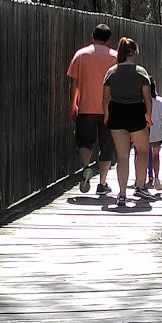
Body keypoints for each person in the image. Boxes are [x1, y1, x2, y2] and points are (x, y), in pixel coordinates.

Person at [66, 24, 117, 195]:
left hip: (86, 107)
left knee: (84, 141)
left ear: (92, 36)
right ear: (108, 39)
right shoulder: (115, 57)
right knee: (107, 146)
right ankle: (102, 183)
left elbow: (73, 84)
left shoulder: (81, 55)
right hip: (109, 110)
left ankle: (86, 167)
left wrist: (73, 104)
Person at [102, 37, 153, 204]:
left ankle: (122, 194)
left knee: (122, 155)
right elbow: (147, 98)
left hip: (116, 111)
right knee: (143, 151)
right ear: (132, 52)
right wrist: (149, 116)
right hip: (135, 111)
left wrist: (107, 114)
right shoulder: (140, 72)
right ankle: (140, 186)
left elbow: (105, 97)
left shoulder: (111, 72)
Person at [148, 80, 162, 190]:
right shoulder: (160, 101)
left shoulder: (142, 101)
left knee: (143, 155)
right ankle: (156, 178)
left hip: (144, 132)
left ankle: (142, 179)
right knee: (156, 156)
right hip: (157, 133)